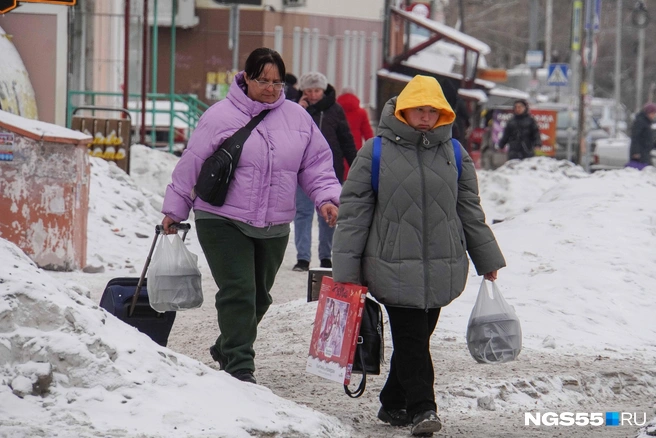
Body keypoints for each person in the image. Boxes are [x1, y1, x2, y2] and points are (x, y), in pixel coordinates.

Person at [332, 75, 506, 436]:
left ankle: (393, 402)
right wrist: (347, 272)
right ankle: (423, 409)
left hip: (443, 265)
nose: (425, 117)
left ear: (442, 113)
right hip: (391, 265)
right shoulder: (375, 151)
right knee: (412, 339)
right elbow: (354, 214)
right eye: (418, 110)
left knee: (417, 339)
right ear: (403, 111)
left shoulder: (455, 154)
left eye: (432, 111)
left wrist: (487, 259)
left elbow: (469, 210)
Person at [161, 48, 342, 385]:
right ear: (245, 78)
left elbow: (316, 165)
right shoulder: (219, 116)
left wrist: (327, 199)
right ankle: (240, 366)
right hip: (221, 218)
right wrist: (175, 209)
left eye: (277, 82)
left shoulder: (297, 118)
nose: (272, 88)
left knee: (260, 297)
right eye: (263, 81)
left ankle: (227, 345)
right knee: (239, 291)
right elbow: (192, 163)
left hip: (274, 223)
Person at [292, 72, 357, 272]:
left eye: (317, 90)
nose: (313, 95)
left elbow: (345, 138)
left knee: (328, 215)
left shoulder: (335, 110)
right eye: (309, 91)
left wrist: (354, 164)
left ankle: (325, 256)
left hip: (329, 171)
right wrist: (299, 110)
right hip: (301, 171)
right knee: (302, 213)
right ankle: (302, 257)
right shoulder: (295, 109)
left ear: (324, 89)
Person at [336, 88, 374, 179]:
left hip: (338, 147)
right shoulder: (361, 112)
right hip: (355, 147)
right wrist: (373, 148)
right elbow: (368, 133)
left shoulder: (335, 111)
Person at [629, 102, 656, 167]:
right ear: (648, 113)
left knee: (648, 170)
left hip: (646, 152)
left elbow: (648, 138)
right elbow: (635, 137)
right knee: (642, 171)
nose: (654, 115)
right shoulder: (640, 122)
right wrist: (635, 152)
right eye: (653, 113)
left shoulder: (648, 122)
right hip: (640, 153)